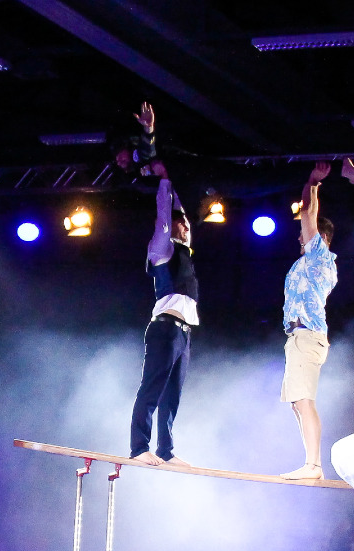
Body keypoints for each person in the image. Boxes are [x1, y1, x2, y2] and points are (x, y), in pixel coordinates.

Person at [278, 158, 354, 480]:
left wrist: (314, 183)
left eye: (305, 235)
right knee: (296, 403)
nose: (299, 238)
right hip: (298, 337)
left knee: (304, 400)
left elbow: (308, 213)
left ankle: (314, 465)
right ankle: (311, 463)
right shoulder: (306, 262)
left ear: (321, 238)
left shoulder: (319, 257)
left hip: (308, 336)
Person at [125, 102, 198, 467]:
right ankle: (139, 447)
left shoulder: (185, 248)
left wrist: (175, 187)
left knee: (173, 398)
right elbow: (164, 212)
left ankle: (166, 451)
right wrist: (165, 180)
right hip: (165, 328)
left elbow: (180, 211)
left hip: (184, 334)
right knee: (152, 388)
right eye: (181, 223)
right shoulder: (163, 247)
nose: (185, 226)